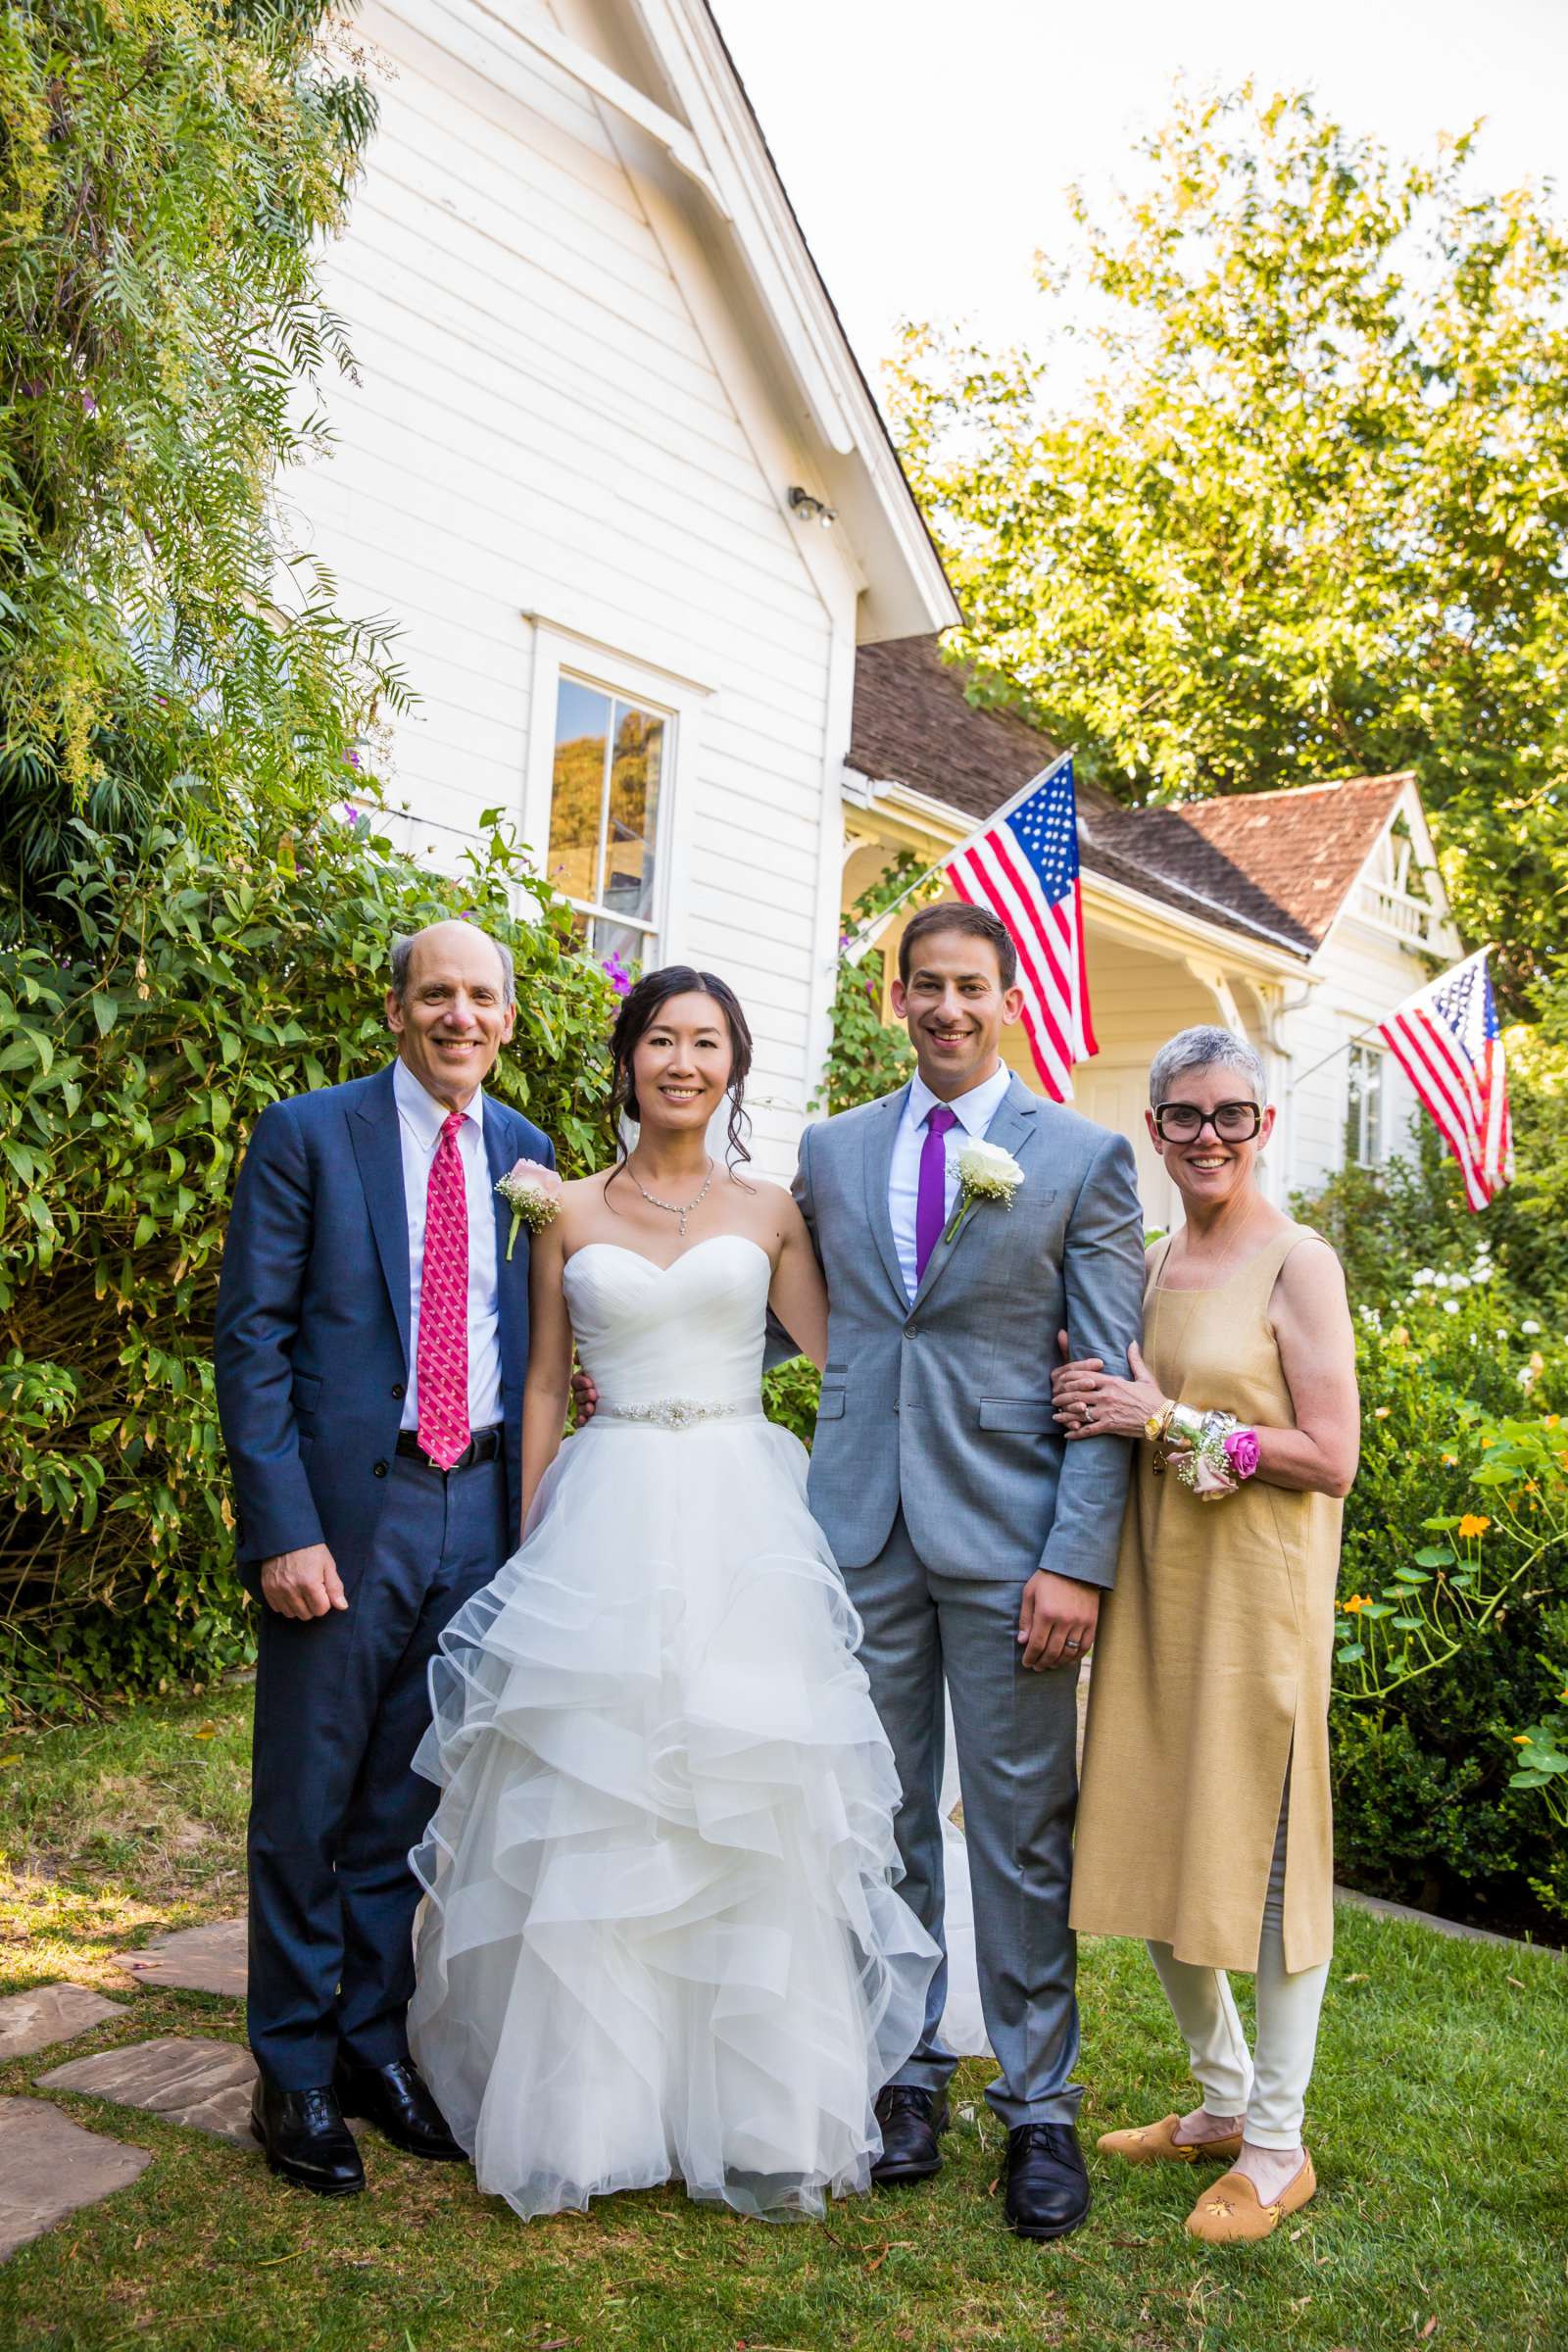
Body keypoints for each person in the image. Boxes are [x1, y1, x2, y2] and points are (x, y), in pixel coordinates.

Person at [407, 967, 938, 2223]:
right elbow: (543, 1383)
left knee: (740, 1793)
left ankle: (756, 2105)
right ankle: (591, 2110)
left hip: (742, 1514)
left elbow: (848, 1361)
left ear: (734, 1064)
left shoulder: (772, 1210)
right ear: (627, 1059)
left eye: (705, 1043)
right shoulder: (563, 1207)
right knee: (599, 1792)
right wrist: (531, 1531)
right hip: (606, 1506)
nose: (682, 1062)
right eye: (660, 1040)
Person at [780, 901, 1146, 2243]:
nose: (946, 1009)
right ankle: (905, 2071)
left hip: (1011, 1546)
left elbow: (1105, 1383)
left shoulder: (1084, 1157)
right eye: (924, 986)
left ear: (1010, 998)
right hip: (862, 1528)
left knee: (1018, 1828)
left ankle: (1040, 2106)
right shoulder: (832, 1150)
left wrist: (1075, 1562)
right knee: (878, 1816)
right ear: (896, 997)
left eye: (970, 988)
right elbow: (818, 1320)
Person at [214, 919, 555, 2196]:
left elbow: (541, 1341)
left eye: (481, 996)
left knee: (407, 1801)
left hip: (476, 1512)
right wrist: (283, 1526)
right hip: (348, 1514)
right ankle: (290, 2068)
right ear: (398, 1011)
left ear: (508, 1019)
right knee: (305, 1798)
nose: (458, 1015)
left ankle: (370, 2046)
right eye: (436, 995)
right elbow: (250, 1342)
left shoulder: (529, 1156)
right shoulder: (311, 1134)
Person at [1056, 1025, 1359, 2246]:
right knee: (1143, 1834)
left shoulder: (1299, 1262)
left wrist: (1166, 1422)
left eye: (1230, 1114)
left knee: (1274, 1871)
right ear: (1154, 1128)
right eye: (1182, 1116)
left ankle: (1279, 2151)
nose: (1206, 1138)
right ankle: (1222, 2100)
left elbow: (1327, 1457)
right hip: (1154, 1593)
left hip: (1257, 1606)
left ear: (1262, 1124)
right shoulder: (1145, 1259)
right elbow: (1119, 1401)